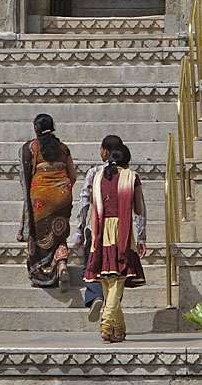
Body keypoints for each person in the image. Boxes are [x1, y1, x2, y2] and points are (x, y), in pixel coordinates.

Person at [84, 145, 146, 342]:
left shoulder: (98, 177)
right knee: (117, 280)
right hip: (122, 232)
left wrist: (93, 238)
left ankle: (118, 330)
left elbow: (93, 208)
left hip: (101, 232)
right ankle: (106, 324)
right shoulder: (131, 177)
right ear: (127, 161)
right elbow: (138, 209)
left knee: (108, 282)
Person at [18, 113, 77, 291]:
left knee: (39, 235)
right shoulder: (63, 148)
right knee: (59, 234)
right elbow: (72, 176)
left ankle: (44, 271)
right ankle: (61, 265)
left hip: (41, 198)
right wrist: (61, 193)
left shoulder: (30, 148)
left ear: (35, 129)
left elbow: (25, 178)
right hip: (62, 195)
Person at [73, 134, 123, 321]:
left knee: (92, 265)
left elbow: (84, 200)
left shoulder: (94, 173)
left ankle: (96, 295)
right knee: (117, 271)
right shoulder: (127, 175)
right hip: (119, 230)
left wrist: (79, 229)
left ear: (105, 151)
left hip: (96, 228)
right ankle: (111, 309)